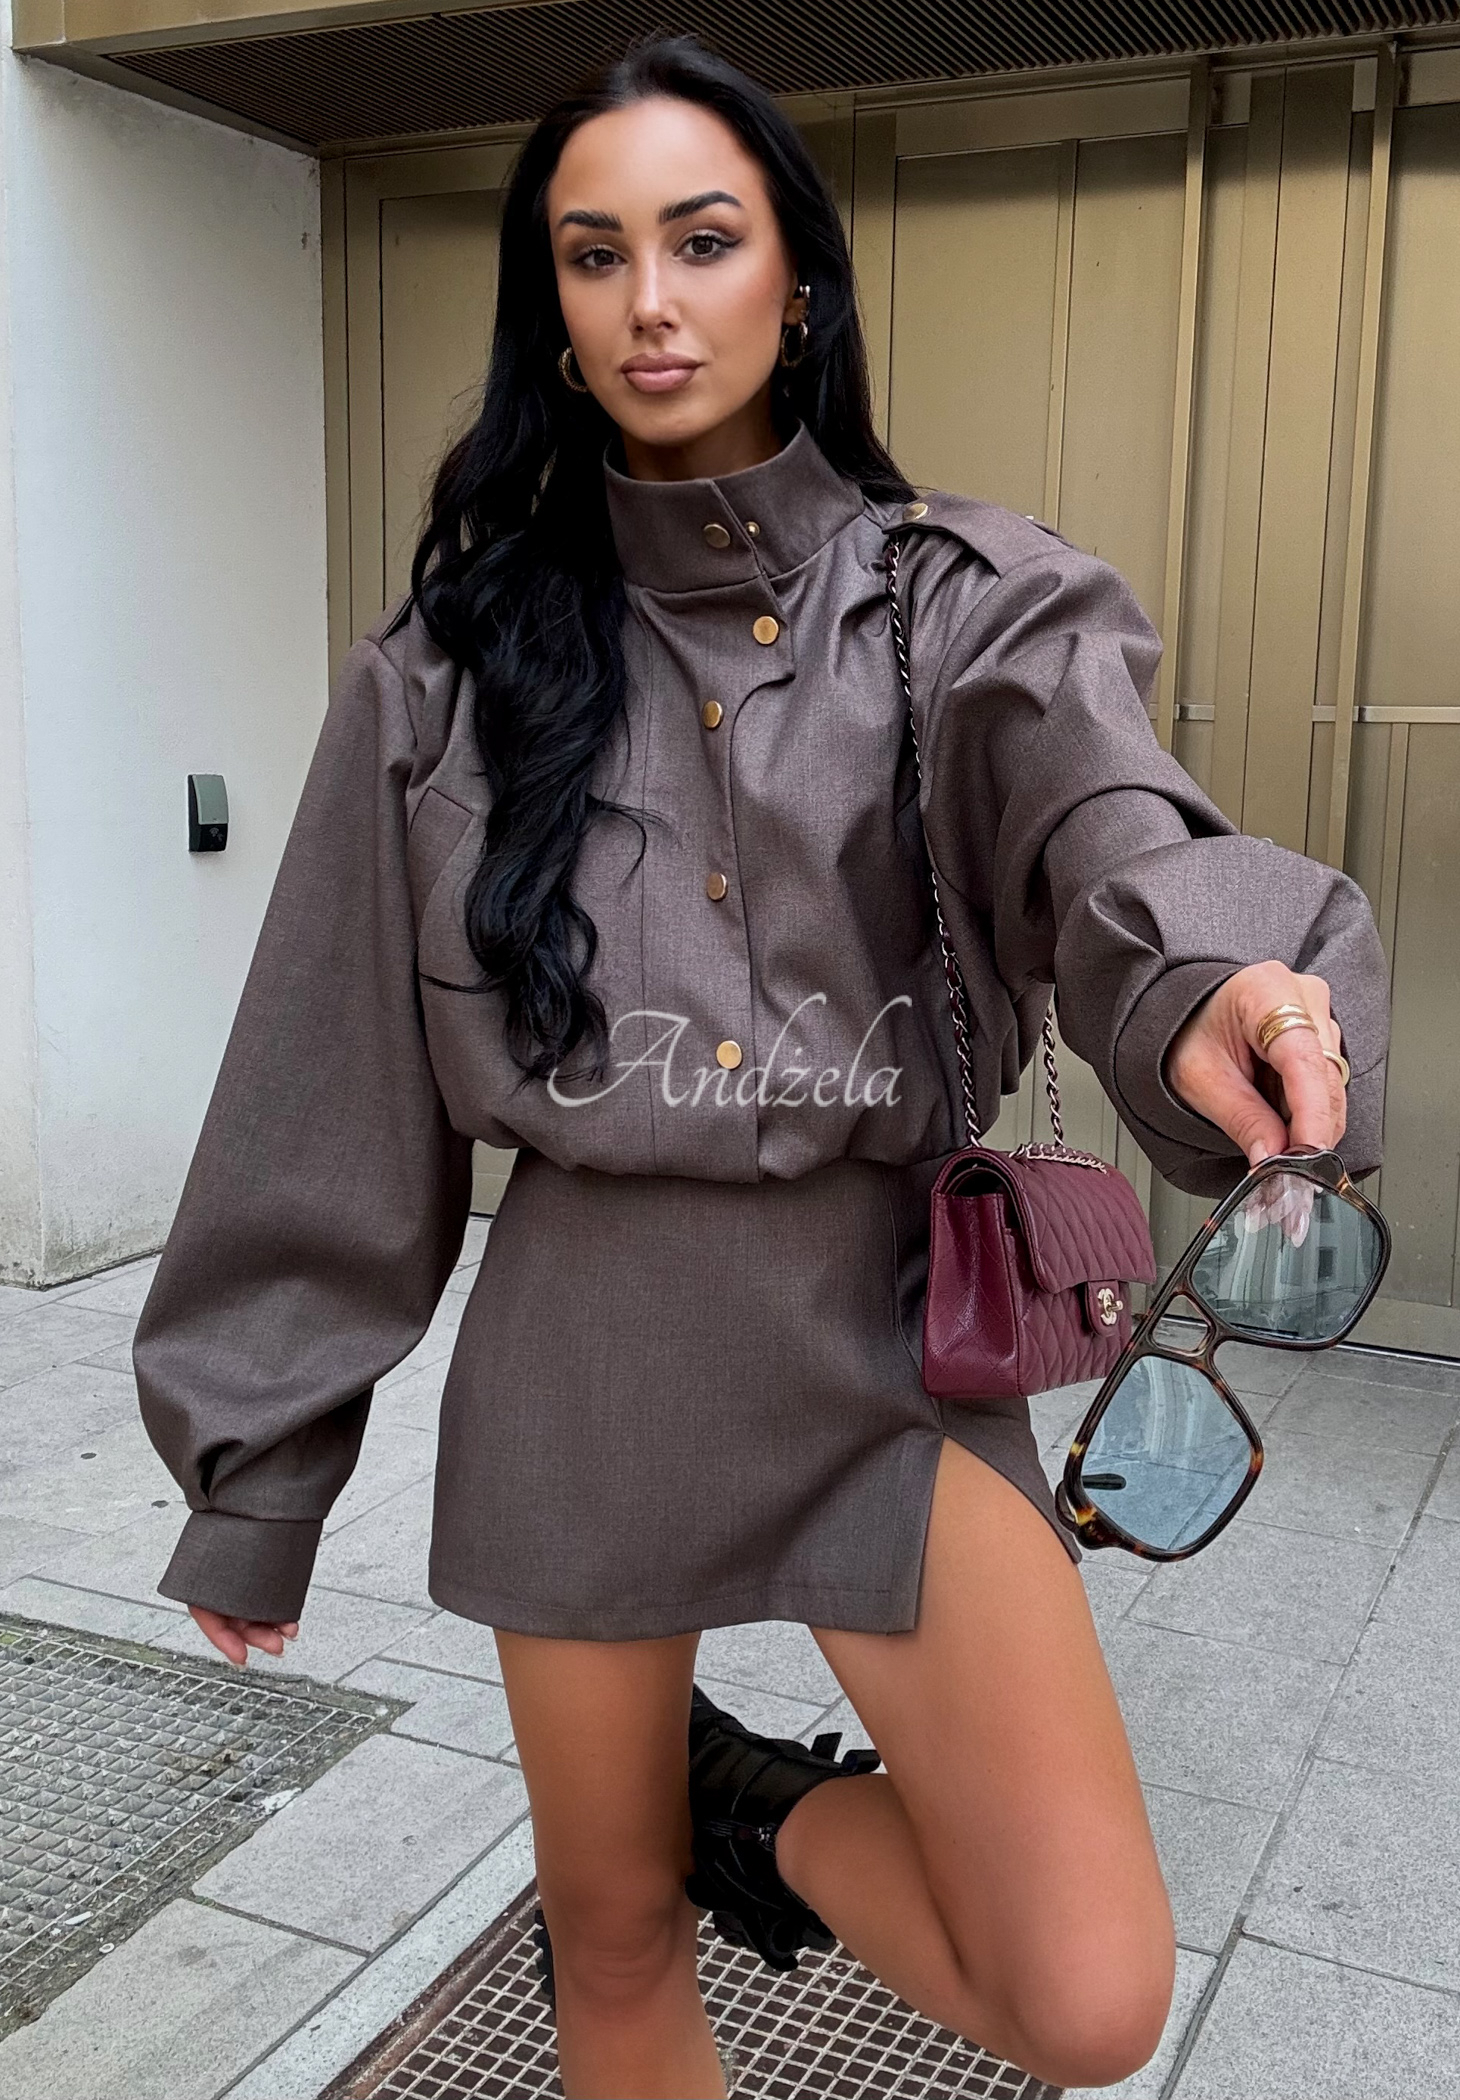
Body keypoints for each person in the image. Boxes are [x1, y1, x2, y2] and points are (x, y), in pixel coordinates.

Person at [134, 35, 1388, 2100]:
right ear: (550, 305)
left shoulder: (967, 608)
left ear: (795, 279)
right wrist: (255, 1477)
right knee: (614, 1946)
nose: (650, 300)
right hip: (585, 1358)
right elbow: (326, 1070)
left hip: (885, 1344)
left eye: (702, 241)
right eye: (593, 253)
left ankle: (748, 1810)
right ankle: (662, 1858)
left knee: (1083, 1999)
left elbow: (1107, 827)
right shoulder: (445, 675)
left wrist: (1220, 982)